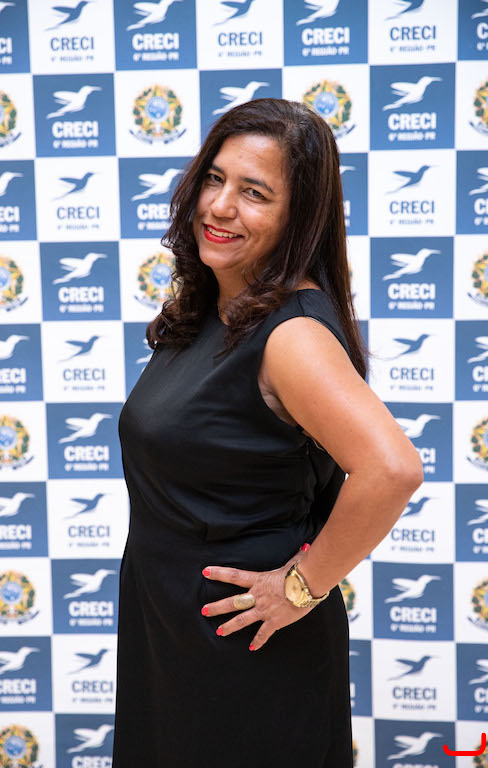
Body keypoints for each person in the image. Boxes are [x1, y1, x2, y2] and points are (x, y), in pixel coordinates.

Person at [112, 98, 423, 767]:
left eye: (254, 193)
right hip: (171, 635)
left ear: (297, 218)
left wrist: (301, 586)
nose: (220, 206)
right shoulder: (217, 308)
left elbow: (392, 468)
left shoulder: (292, 335)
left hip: (243, 652)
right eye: (214, 179)